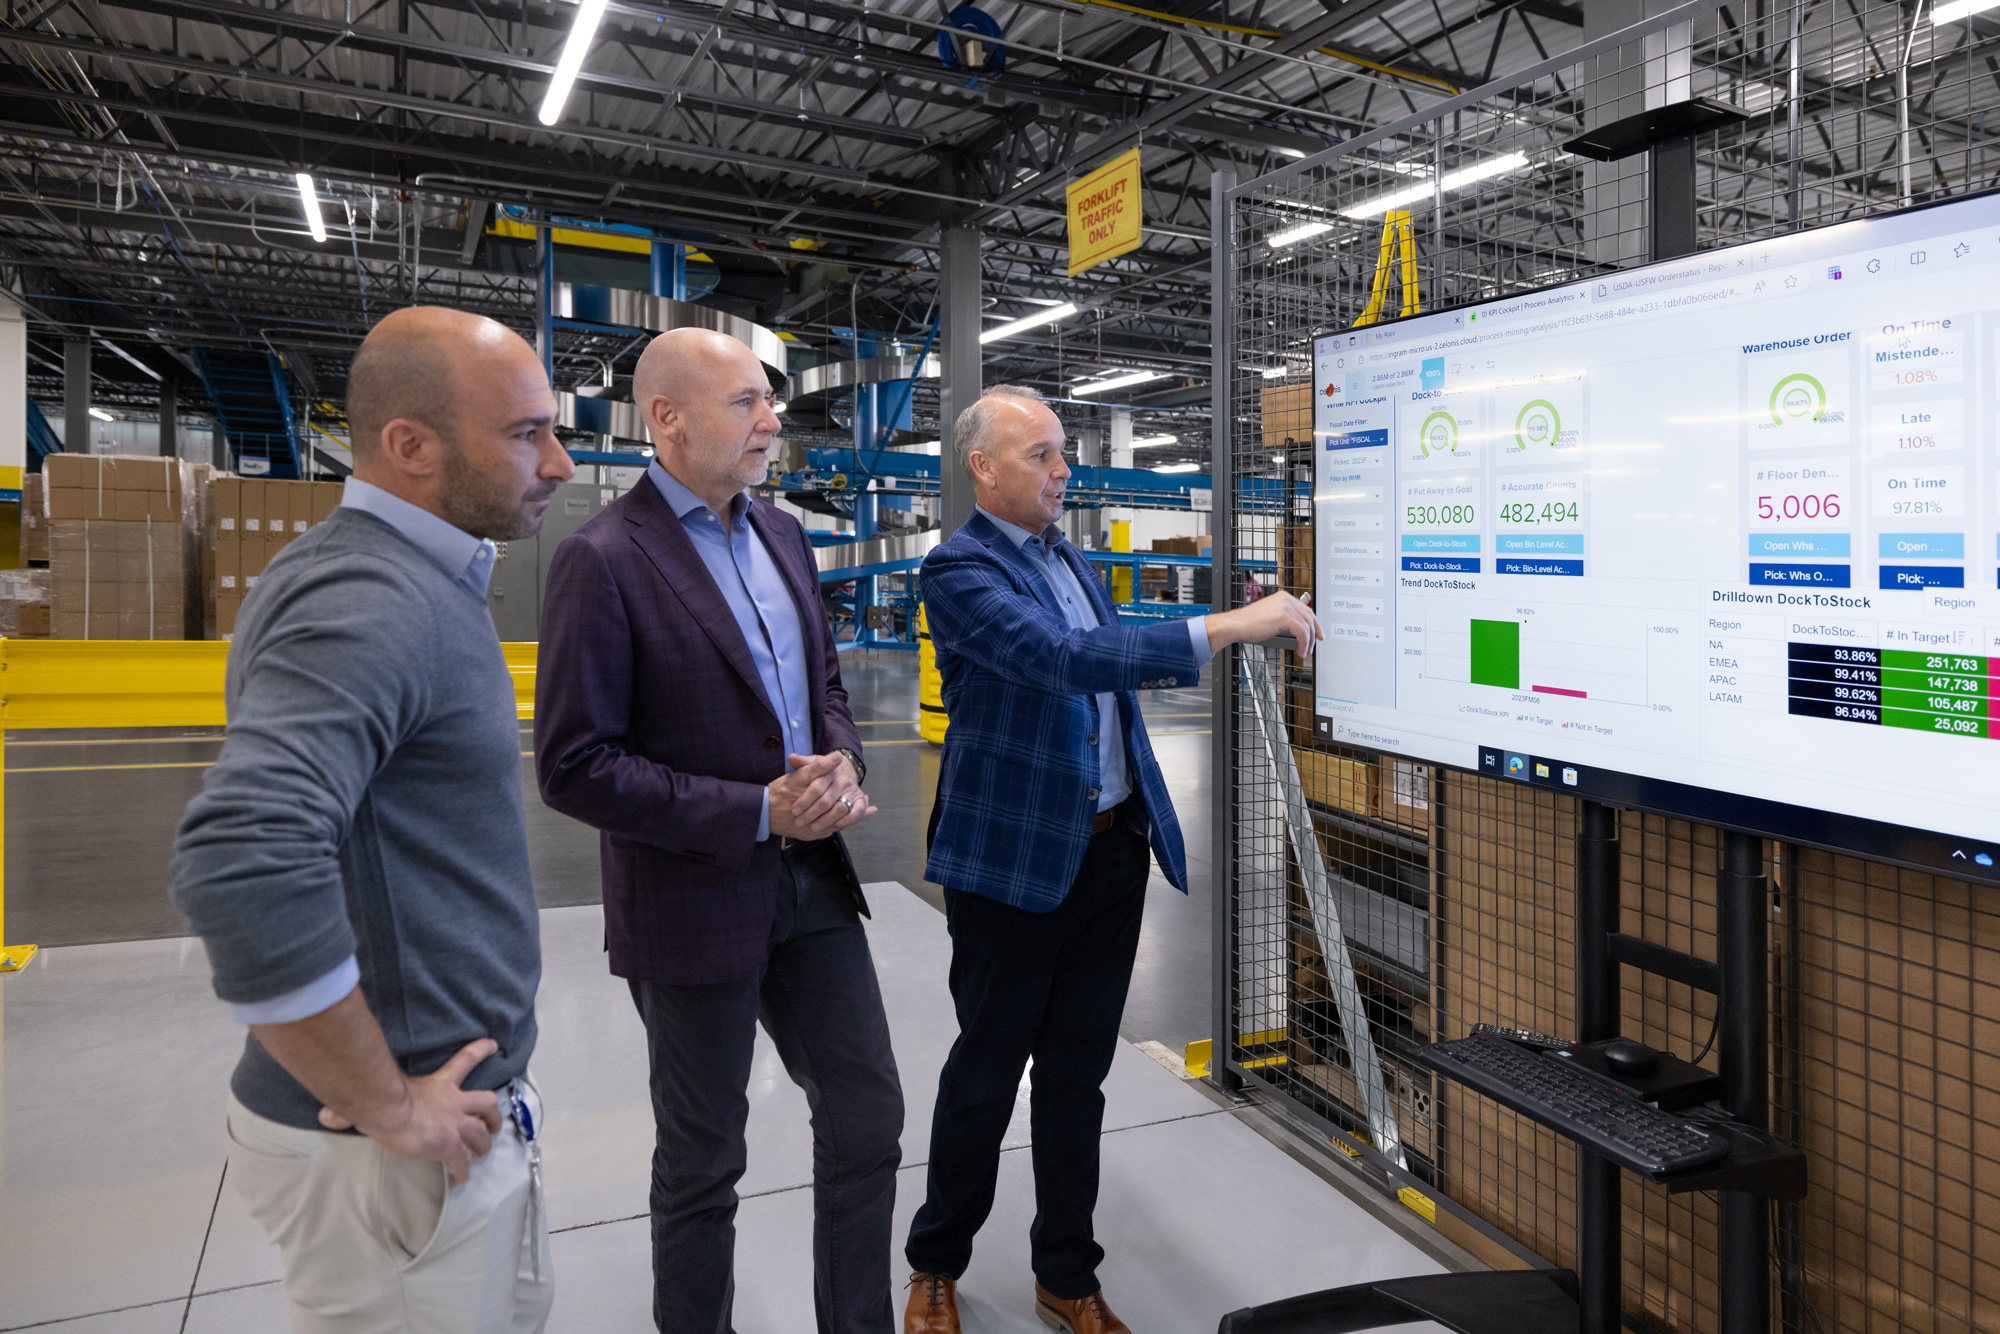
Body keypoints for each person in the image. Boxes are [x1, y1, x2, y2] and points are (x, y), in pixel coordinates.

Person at [170, 306, 575, 1333]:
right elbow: (242, 853)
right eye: (527, 432)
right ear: (411, 445)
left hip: (430, 1129)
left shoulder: (406, 580)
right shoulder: (369, 592)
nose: (560, 463)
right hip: (386, 1150)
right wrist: (391, 1103)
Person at [903, 387, 1320, 1334]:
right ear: (984, 467)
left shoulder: (1068, 558)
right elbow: (1063, 659)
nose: (1065, 472)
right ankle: (935, 1263)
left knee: (1077, 1078)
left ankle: (1067, 1274)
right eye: (1044, 454)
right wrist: (1226, 627)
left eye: (1063, 454)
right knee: (985, 1072)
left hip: (1108, 852)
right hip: (1012, 868)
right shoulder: (958, 571)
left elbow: (1101, 663)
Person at [535, 327, 903, 1334]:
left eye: (768, 402)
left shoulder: (783, 535)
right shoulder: (601, 559)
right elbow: (574, 764)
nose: (772, 420)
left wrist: (838, 760)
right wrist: (750, 810)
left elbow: (821, 683)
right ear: (667, 417)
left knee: (867, 1117)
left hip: (813, 884)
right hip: (690, 896)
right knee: (703, 1159)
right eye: (745, 401)